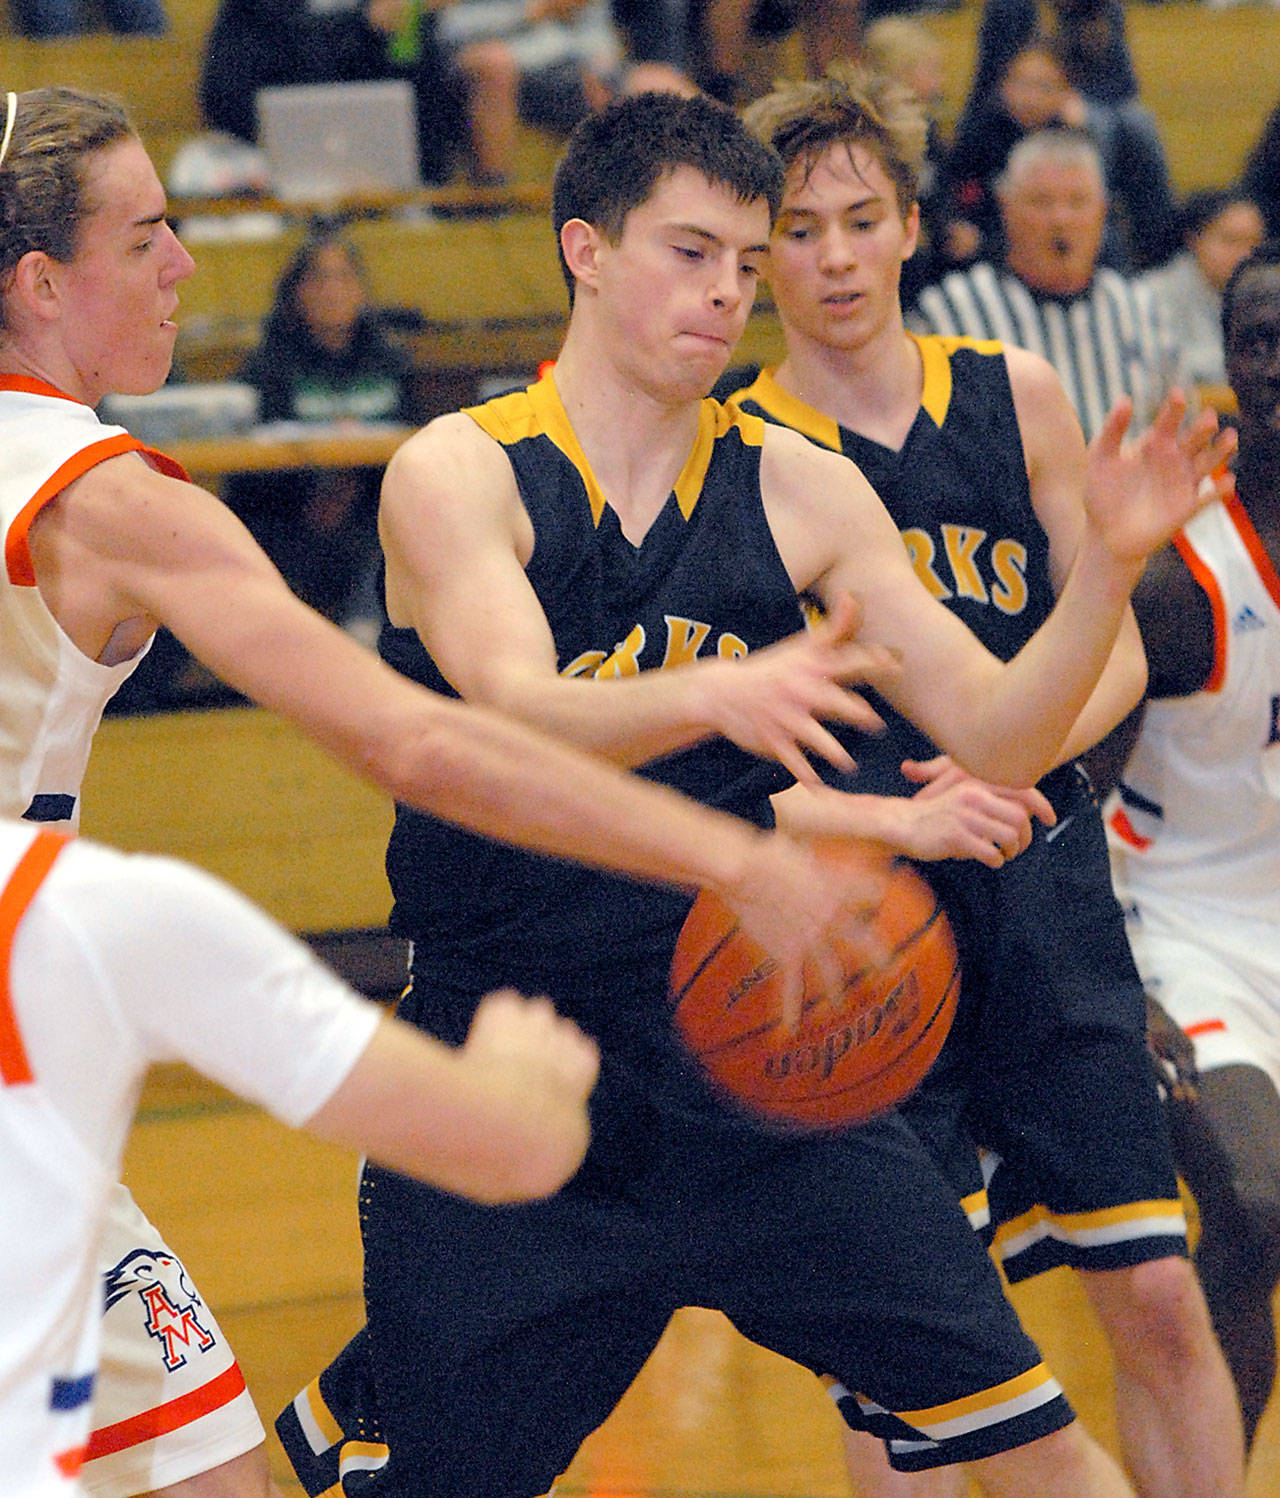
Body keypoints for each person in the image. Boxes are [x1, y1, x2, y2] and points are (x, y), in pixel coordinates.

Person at [275, 87, 1232, 1498]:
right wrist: (711, 693)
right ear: (585, 250)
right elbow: (515, 714)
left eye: (742, 259)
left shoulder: (804, 490)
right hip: (513, 1067)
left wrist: (1105, 571)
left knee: (1039, 1447)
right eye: (691, 252)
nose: (728, 291)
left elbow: (999, 729)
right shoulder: (462, 472)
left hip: (763, 1070)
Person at [0, 84, 897, 1498]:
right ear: (42, 283)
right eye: (149, 233)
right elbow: (424, 745)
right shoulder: (117, 507)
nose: (186, 260)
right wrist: (736, 858)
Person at [736, 62, 1246, 1498]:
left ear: (912, 227)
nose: (832, 256)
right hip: (874, 918)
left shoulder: (1011, 391)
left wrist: (1032, 751)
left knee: (1153, 1292)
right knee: (909, 1347)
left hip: (1045, 889)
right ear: (760, 249)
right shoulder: (744, 448)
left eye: (858, 219)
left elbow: (1126, 645)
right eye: (798, 226)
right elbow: (736, 744)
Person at [1, 816, 599, 1498]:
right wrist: (516, 1081)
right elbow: (512, 1148)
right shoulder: (100, 913)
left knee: (218, 1475)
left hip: (54, 1196)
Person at [1096, 239, 1280, 1466]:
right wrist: (1121, 986)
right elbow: (1060, 801)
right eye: (1257, 338)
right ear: (1225, 361)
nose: (1277, 364)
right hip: (1188, 934)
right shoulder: (1178, 579)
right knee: (1256, 1214)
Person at [909, 127, 1180, 444]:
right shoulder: (947, 312)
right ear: (1006, 207)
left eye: (1078, 202)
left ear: (1103, 211)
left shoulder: (1142, 310)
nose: (1061, 220)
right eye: (1042, 202)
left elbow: (1179, 433)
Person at [225, 226, 419, 633]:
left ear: (362, 291)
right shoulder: (267, 366)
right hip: (290, 514)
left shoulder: (391, 362)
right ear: (296, 292)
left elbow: (415, 441)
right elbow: (245, 462)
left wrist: (350, 484)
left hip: (371, 513)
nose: (332, 290)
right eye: (318, 278)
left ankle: (370, 633)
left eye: (344, 277)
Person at [198, 0, 471, 186]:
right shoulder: (257, 11)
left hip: (383, 175)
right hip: (279, 164)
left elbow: (424, 98)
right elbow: (225, 93)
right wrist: (363, 23)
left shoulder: (396, 10)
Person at [435, 0, 697, 185]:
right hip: (509, 66)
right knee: (493, 63)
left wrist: (600, 65)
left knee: (662, 84)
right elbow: (451, 26)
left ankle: (709, 193)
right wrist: (533, 10)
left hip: (576, 67)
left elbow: (597, 32)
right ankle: (496, 202)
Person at [1137, 188, 1265, 391]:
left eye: (1254, 243)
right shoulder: (1148, 295)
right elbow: (1164, 368)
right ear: (1194, 240)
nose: (1244, 255)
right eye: (1231, 240)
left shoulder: (1262, 292)